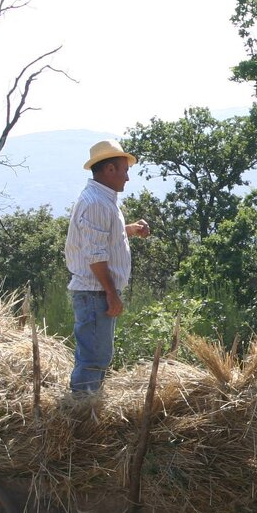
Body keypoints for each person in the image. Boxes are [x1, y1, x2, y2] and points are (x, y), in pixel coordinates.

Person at [65, 139, 151, 393]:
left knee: (96, 357)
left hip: (96, 292)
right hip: (95, 294)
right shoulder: (96, 204)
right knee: (94, 360)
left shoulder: (102, 199)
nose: (127, 178)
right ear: (110, 170)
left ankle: (87, 409)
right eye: (124, 171)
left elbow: (99, 239)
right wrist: (111, 293)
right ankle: (82, 412)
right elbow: (95, 254)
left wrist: (129, 230)